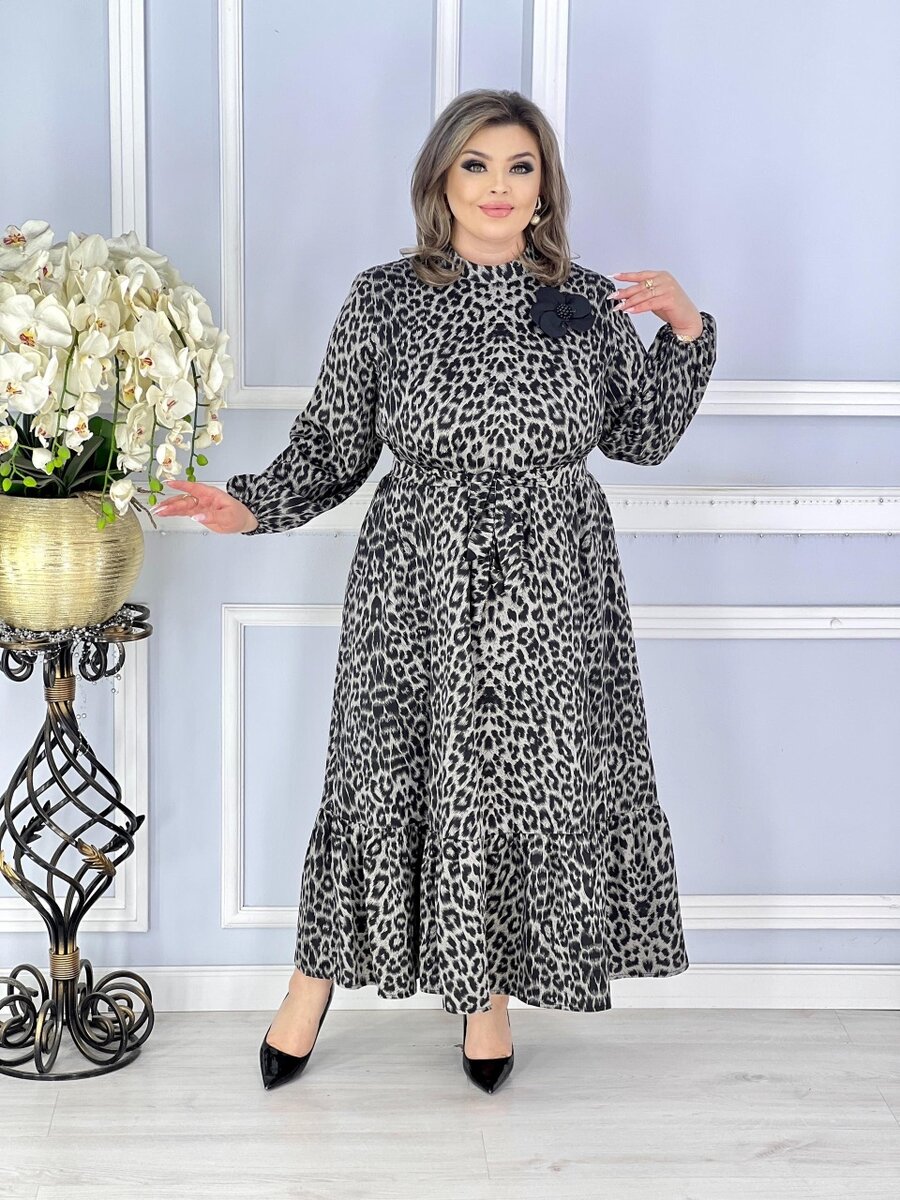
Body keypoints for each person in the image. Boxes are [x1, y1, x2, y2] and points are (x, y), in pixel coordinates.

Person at [154, 88, 717, 1095]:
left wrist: (684, 330)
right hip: (416, 580)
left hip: (556, 584)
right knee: (380, 776)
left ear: (544, 187)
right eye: (476, 165)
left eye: (520, 167)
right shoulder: (384, 298)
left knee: (517, 789)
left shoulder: (589, 302)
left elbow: (640, 437)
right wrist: (250, 505)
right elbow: (333, 445)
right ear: (441, 180)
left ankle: (487, 1000)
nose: (498, 187)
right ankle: (309, 987)